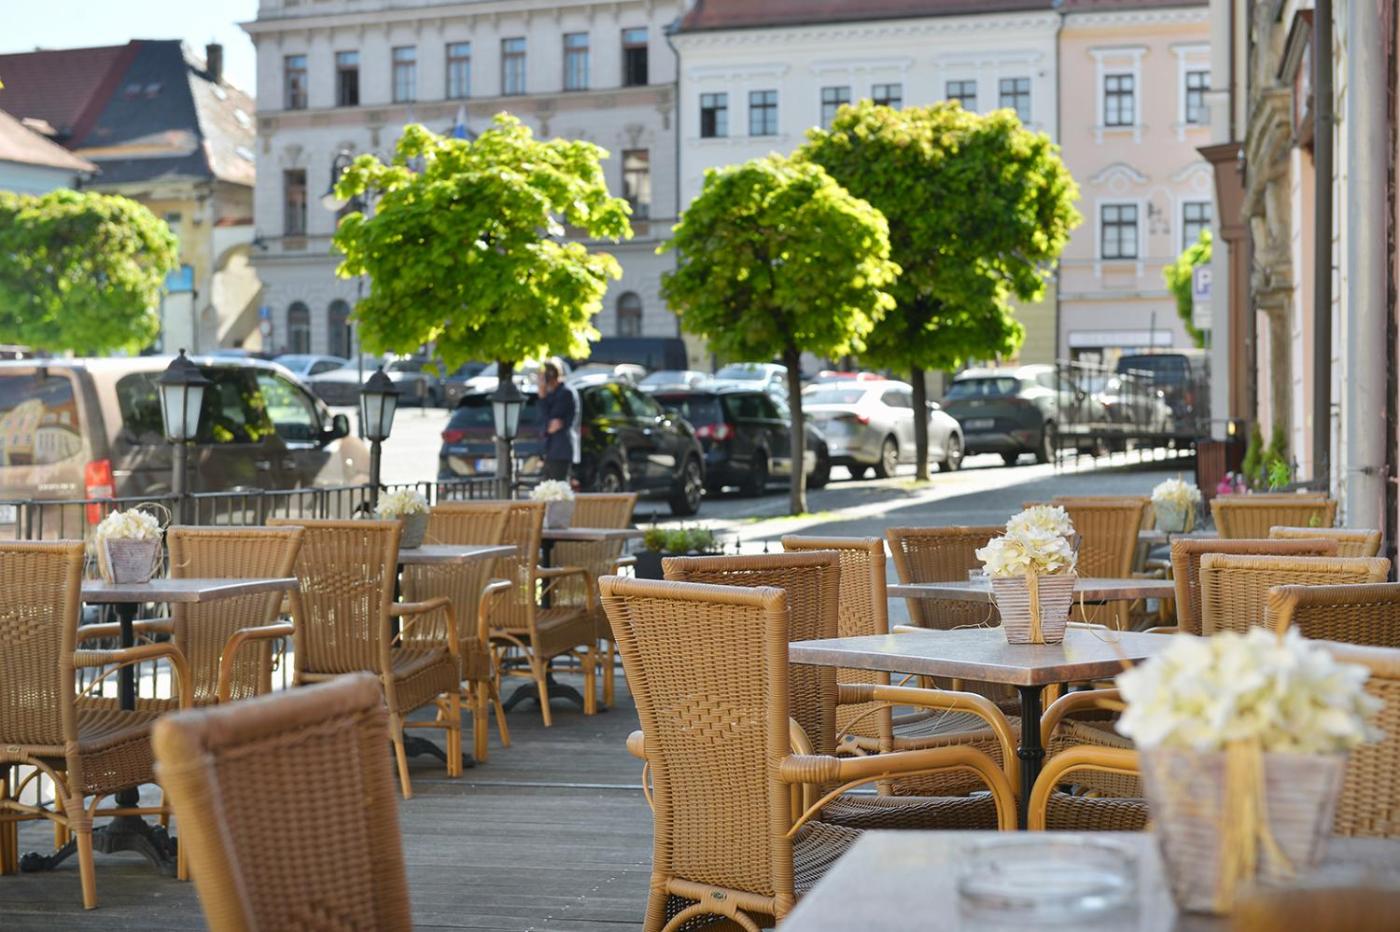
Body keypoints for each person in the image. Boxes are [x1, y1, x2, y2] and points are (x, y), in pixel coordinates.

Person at [537, 360, 580, 482]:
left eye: (541, 378)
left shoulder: (565, 393)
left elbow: (551, 423)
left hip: (560, 450)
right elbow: (544, 424)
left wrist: (542, 398)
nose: (539, 383)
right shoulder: (552, 394)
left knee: (558, 487)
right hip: (550, 451)